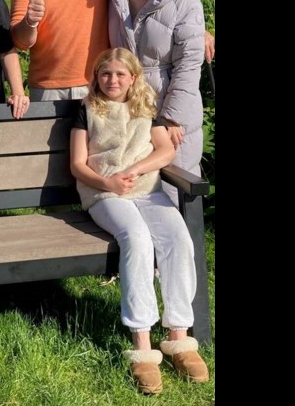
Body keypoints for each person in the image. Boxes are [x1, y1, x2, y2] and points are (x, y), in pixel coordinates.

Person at [69, 48, 209, 395]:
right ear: (96, 76)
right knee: (136, 238)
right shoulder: (85, 109)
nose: (112, 80)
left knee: (178, 238)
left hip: (147, 190)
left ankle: (179, 337)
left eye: (119, 74)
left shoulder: (147, 108)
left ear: (133, 78)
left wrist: (134, 170)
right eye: (105, 74)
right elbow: (78, 164)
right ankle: (142, 343)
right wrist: (109, 182)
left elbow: (165, 151)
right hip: (104, 194)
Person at [107, 0, 206, 203]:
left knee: (177, 187)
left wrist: (171, 117)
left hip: (171, 105)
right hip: (131, 108)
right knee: (135, 189)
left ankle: (185, 248)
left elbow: (189, 63)